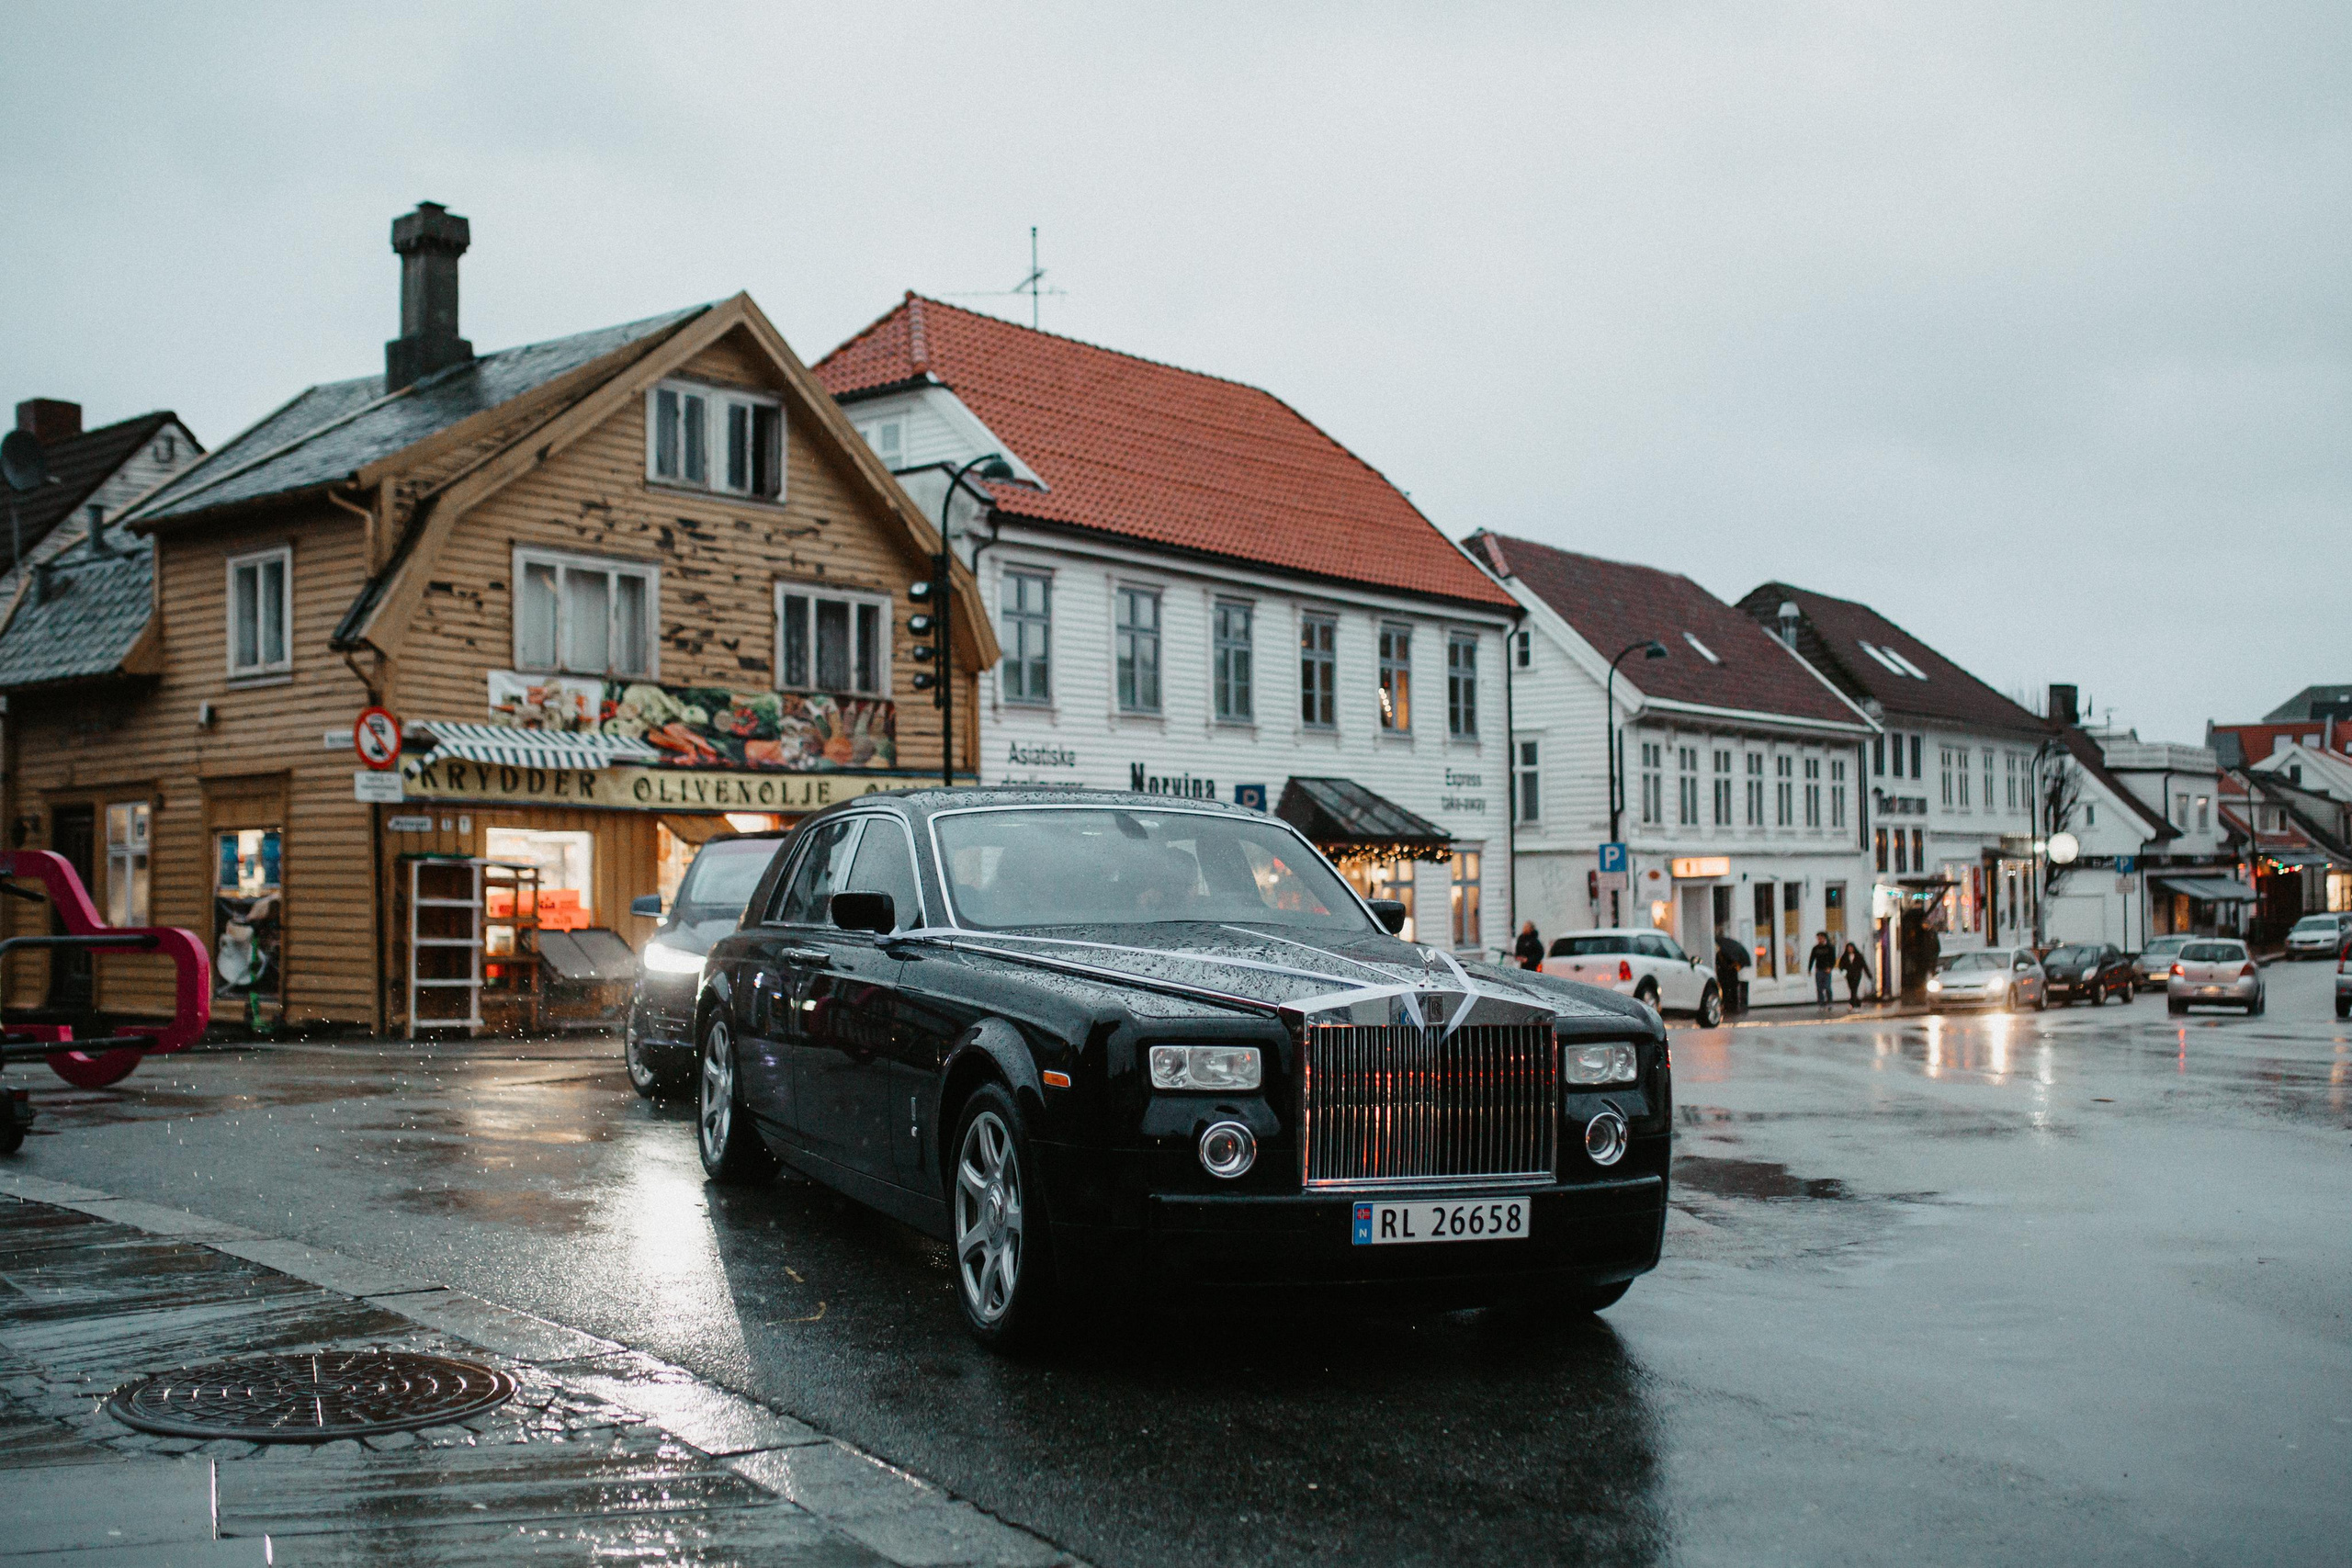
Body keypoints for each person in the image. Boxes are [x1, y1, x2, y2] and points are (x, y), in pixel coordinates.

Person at [1713, 931, 1750, 1017]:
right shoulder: (1726, 949)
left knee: (1730, 988)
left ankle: (1730, 1006)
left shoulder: (1726, 952)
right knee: (1729, 988)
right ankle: (1730, 1006)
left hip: (1729, 974)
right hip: (1727, 973)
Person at [1807, 931, 1837, 1005]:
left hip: (1827, 969)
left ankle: (1829, 1001)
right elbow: (1812, 958)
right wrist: (1809, 969)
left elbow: (1833, 959)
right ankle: (1821, 1002)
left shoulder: (1830, 947)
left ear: (1824, 938)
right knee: (1819, 987)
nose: (1819, 940)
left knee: (1827, 987)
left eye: (1821, 938)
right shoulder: (1816, 948)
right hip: (1819, 969)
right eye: (1818, 938)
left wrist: (1830, 968)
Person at [1838, 941, 1872, 1006]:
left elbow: (1864, 965)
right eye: (1848, 948)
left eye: (1851, 948)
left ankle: (1852, 1004)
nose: (1850, 949)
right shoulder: (1845, 956)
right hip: (1849, 975)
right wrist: (1843, 971)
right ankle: (1857, 1002)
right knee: (1852, 989)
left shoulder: (1858, 956)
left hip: (1857, 975)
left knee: (1854, 988)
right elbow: (1841, 965)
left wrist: (1868, 974)